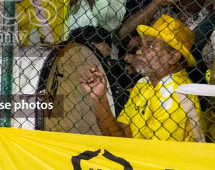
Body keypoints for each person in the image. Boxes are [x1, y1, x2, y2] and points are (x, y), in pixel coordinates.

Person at [81, 13, 204, 142]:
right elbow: (119, 136)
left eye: (150, 45)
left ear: (173, 57)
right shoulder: (144, 83)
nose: (139, 51)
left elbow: (154, 156)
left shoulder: (177, 94)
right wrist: (99, 98)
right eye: (142, 45)